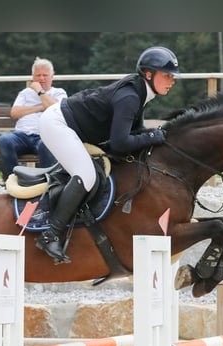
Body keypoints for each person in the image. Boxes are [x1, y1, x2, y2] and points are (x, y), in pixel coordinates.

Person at [36, 46, 179, 264]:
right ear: (149, 74)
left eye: (173, 76)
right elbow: (120, 143)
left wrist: (156, 134)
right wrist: (154, 137)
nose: (172, 81)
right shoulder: (130, 96)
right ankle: (50, 234)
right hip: (57, 124)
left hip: (71, 126)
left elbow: (135, 132)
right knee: (87, 175)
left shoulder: (141, 92)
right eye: (167, 75)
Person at [0, 58, 67, 181]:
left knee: (46, 145)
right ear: (33, 77)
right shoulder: (25, 93)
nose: (41, 78)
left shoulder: (59, 93)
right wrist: (40, 107)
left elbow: (56, 109)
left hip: (45, 135)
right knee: (4, 140)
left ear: (52, 77)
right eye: (38, 75)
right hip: (22, 135)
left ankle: (49, 182)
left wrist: (40, 92)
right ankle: (13, 180)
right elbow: (14, 113)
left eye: (45, 75)